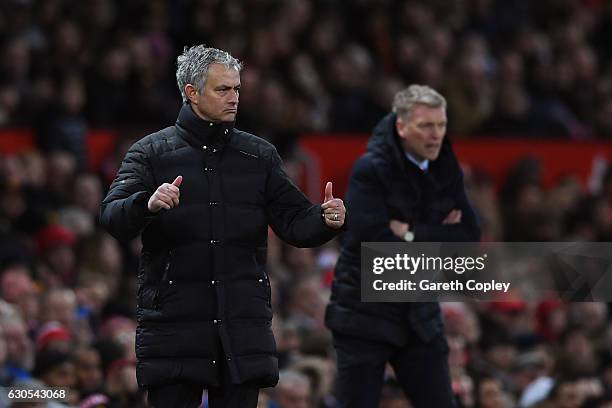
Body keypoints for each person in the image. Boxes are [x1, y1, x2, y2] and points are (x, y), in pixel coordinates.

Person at [99, 46, 346, 408]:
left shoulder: (259, 155)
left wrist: (325, 220)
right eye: (223, 90)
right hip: (175, 328)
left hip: (241, 328)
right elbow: (111, 216)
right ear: (192, 92)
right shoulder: (150, 152)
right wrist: (146, 204)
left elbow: (294, 223)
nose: (234, 99)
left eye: (237, 89)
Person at [325, 84, 480, 407]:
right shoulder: (371, 169)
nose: (435, 134)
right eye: (426, 126)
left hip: (419, 316)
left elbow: (468, 236)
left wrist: (409, 232)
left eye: (440, 125)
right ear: (402, 127)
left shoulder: (445, 171)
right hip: (364, 315)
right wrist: (437, 231)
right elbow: (374, 242)